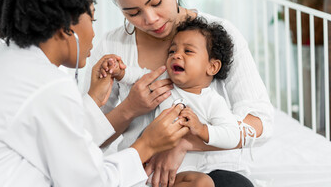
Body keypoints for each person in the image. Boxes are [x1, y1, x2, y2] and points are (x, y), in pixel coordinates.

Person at [0, 0, 190, 186]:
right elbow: (89, 182)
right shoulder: (47, 86)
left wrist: (92, 101)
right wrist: (147, 145)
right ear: (67, 26)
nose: (94, 33)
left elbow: (64, 142)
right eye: (92, 18)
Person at [82, 0, 274, 186]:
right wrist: (130, 109)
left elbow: (261, 124)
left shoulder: (217, 35)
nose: (150, 19)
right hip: (144, 177)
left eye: (157, 2)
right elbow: (86, 142)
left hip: (216, 171)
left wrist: (183, 143)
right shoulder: (112, 46)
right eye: (133, 13)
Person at [100, 17, 241, 187]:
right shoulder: (164, 81)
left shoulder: (212, 101)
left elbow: (233, 135)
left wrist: (202, 130)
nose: (176, 55)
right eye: (172, 51)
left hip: (178, 176)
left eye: (188, 51)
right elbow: (137, 76)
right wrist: (119, 72)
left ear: (212, 67)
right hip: (144, 170)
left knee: (203, 182)